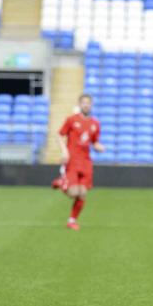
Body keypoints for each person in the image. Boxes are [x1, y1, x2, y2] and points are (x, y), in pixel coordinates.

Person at [52, 94, 105, 230]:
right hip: (73, 161)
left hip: (86, 162)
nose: (86, 105)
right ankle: (61, 183)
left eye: (88, 103)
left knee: (82, 194)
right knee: (73, 193)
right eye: (84, 103)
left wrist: (100, 147)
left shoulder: (95, 123)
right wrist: (64, 151)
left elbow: (94, 142)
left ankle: (72, 220)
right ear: (79, 104)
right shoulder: (71, 120)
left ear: (91, 105)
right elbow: (59, 135)